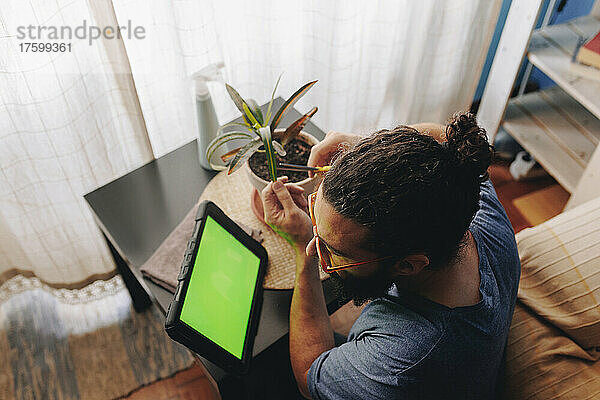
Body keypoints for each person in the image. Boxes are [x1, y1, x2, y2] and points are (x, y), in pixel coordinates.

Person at [260, 112, 520, 399]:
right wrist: (369, 147)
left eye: (333, 250)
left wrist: (303, 248)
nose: (320, 249)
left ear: (408, 265)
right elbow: (447, 140)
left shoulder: (404, 358)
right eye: (315, 214)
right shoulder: (475, 207)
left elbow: (309, 375)